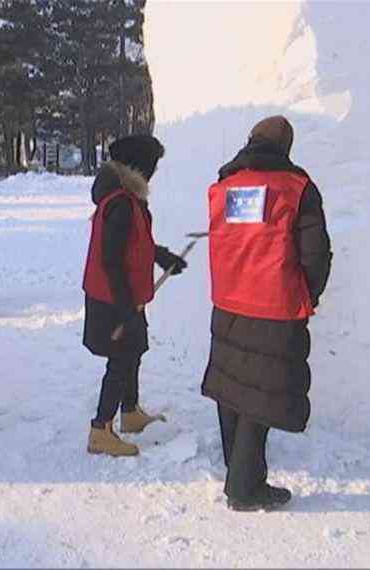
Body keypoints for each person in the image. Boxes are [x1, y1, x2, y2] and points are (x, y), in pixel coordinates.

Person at [202, 115, 332, 511]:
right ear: (285, 148)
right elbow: (314, 255)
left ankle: (236, 468)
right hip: (274, 305)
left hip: (228, 301)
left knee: (232, 383)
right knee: (262, 392)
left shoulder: (226, 186)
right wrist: (309, 293)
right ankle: (244, 488)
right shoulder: (296, 188)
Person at [82, 134, 188, 457]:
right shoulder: (121, 205)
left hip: (124, 295)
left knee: (134, 350)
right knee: (121, 359)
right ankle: (100, 430)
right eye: (152, 166)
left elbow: (135, 244)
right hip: (114, 298)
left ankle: (129, 413)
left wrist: (163, 257)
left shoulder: (127, 199)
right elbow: (110, 259)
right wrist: (125, 308)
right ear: (139, 167)